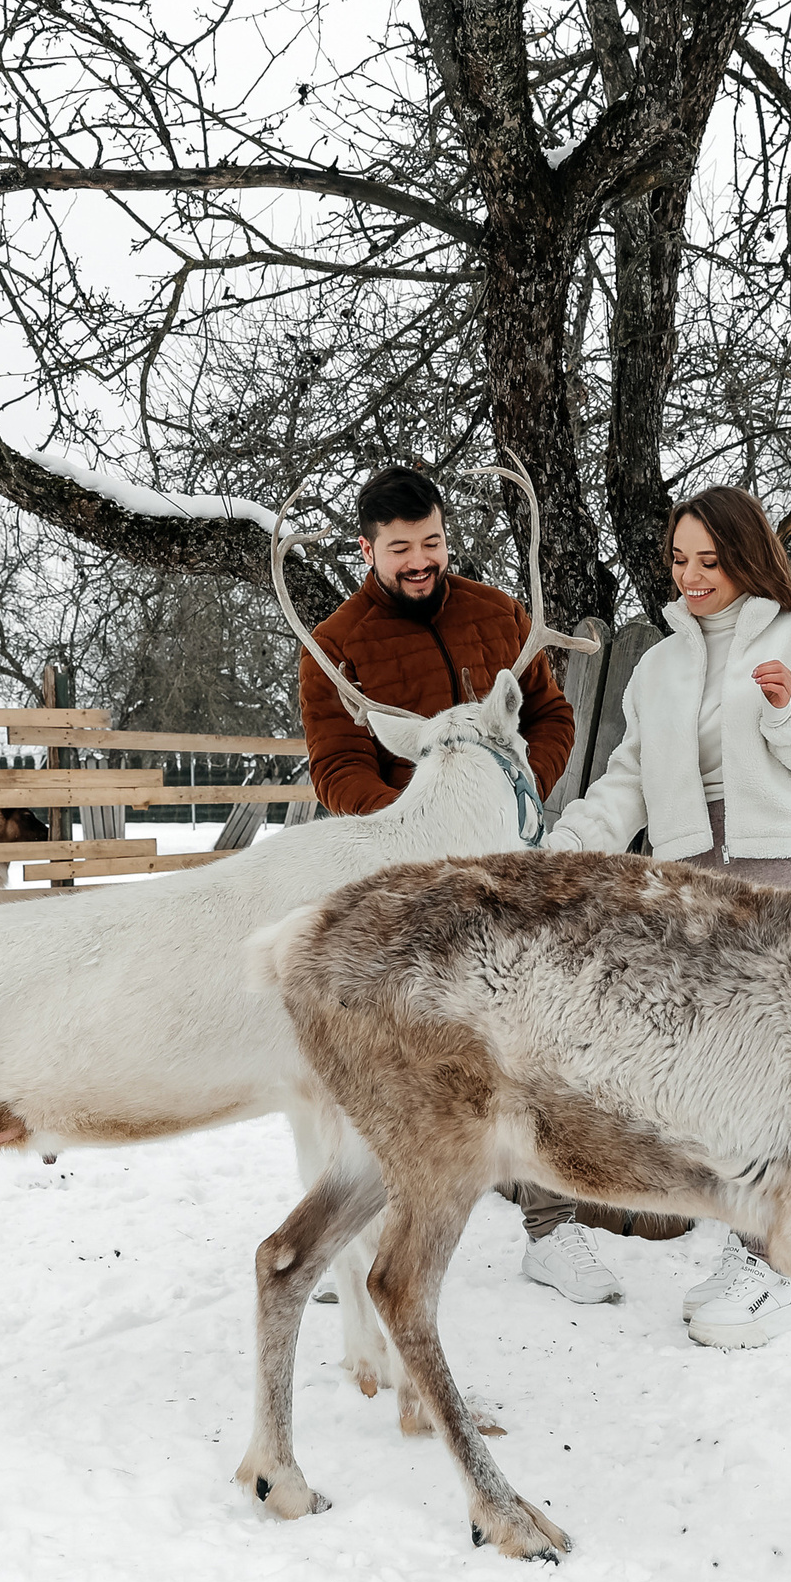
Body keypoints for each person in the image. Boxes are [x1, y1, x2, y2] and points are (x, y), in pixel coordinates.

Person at [544, 485, 791, 1347]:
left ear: (745, 556)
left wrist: (786, 714)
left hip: (771, 865)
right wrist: (570, 843)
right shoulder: (659, 665)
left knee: (773, 1064)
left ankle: (773, 1261)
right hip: (686, 869)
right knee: (714, 1069)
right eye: (679, 561)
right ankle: (748, 1241)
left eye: (709, 561)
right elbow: (626, 778)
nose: (691, 577)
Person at [296, 464, 622, 1306]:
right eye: (400, 548)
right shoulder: (335, 645)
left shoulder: (499, 614)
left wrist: (516, 792)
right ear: (367, 548)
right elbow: (334, 768)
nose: (420, 560)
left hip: (503, 878)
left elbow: (552, 716)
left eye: (432, 542)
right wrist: (417, 824)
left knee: (520, 1046)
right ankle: (348, 1230)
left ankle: (552, 1231)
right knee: (379, 1062)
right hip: (397, 891)